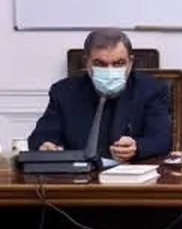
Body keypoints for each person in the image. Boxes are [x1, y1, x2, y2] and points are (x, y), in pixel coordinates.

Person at [28, 28, 170, 162]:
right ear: (87, 63)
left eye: (119, 63)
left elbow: (162, 140)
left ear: (130, 63)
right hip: (78, 174)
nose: (110, 71)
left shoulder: (151, 90)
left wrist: (137, 147)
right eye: (100, 64)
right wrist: (45, 145)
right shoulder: (64, 92)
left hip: (129, 173)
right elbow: (40, 136)